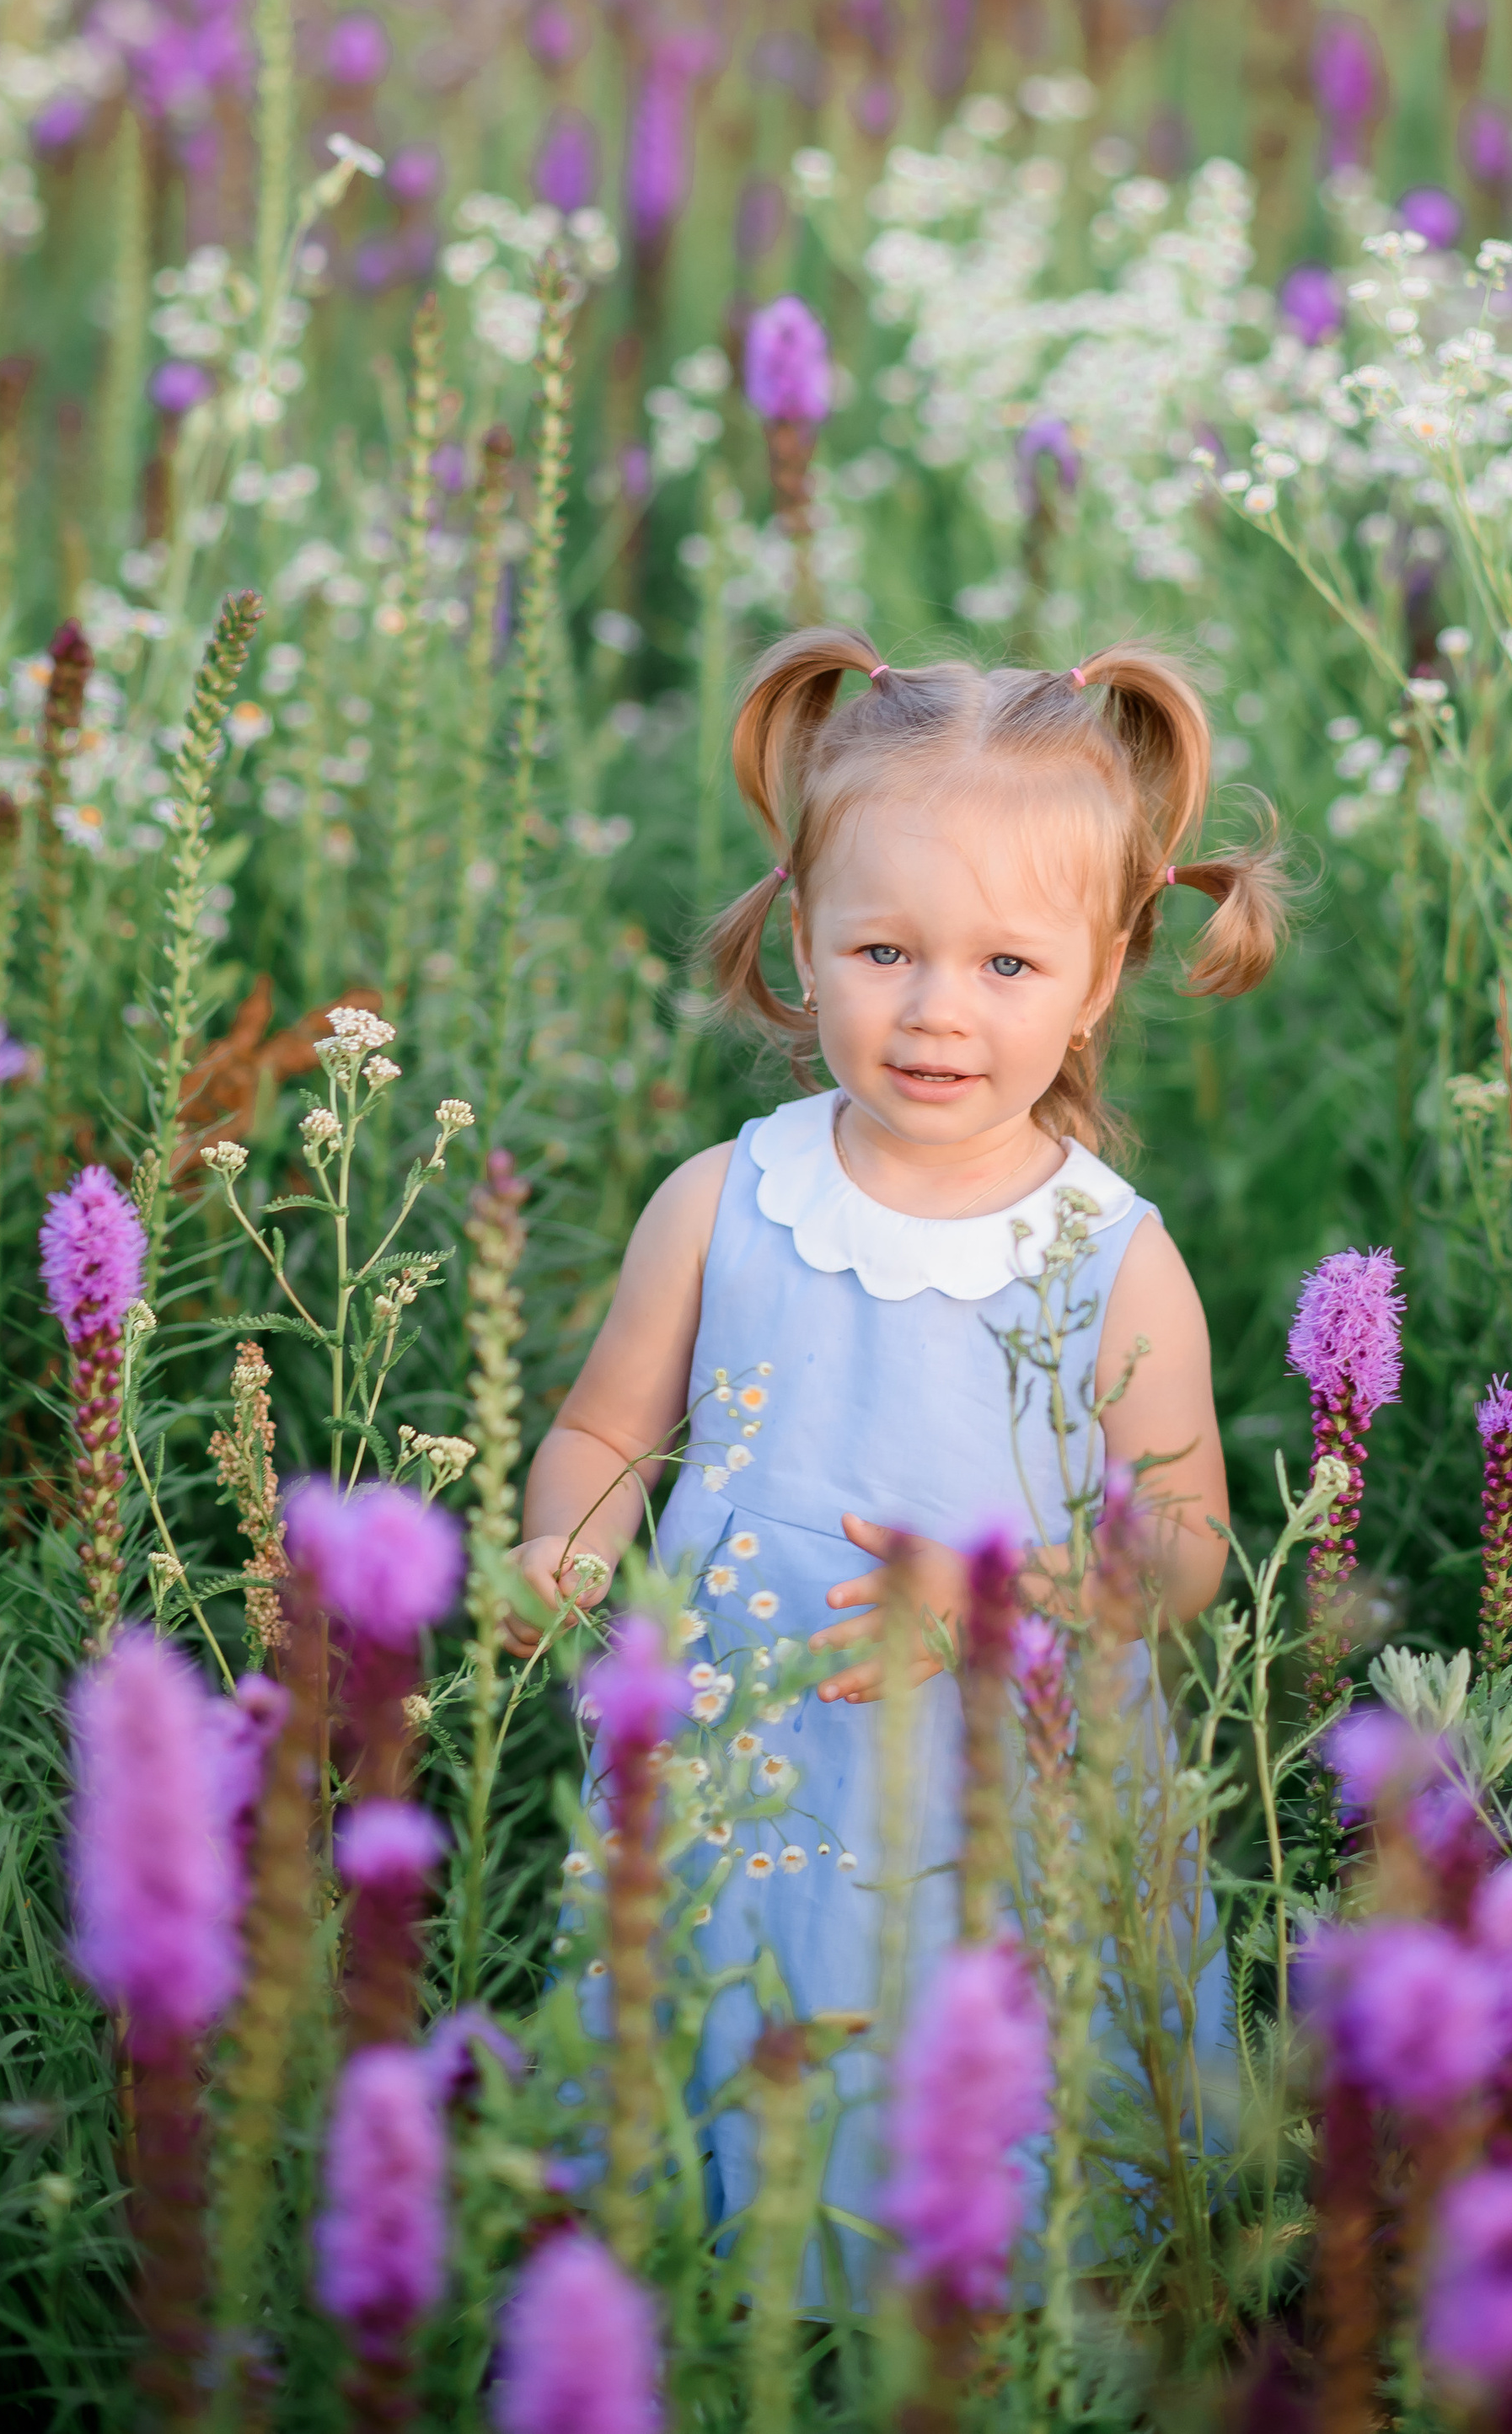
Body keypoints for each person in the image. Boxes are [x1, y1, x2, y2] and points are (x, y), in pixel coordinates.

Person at [501, 626, 1285, 2278]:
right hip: (746, 1766)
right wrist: (564, 1545)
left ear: (1102, 969)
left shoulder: (1109, 1257)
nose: (935, 1012)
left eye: (1005, 965)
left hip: (1002, 1800)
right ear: (801, 936)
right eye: (880, 949)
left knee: (990, 2127)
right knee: (733, 2051)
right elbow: (600, 1425)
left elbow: (1188, 1542)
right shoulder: (724, 1202)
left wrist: (1006, 1600)